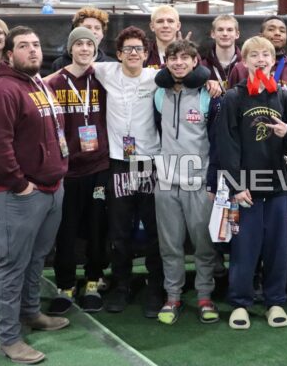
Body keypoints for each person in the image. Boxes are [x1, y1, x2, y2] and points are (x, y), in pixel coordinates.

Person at [0, 26, 69, 364]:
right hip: (18, 195)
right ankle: (8, 339)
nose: (33, 50)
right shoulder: (2, 90)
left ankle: (31, 312)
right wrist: (19, 184)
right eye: (23, 46)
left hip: (50, 190)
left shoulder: (37, 84)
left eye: (36, 44)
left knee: (36, 259)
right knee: (12, 266)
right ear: (8, 54)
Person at [218, 36, 287, 330]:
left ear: (274, 61)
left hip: (278, 188)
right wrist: (236, 185)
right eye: (254, 55)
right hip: (245, 189)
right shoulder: (234, 97)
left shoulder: (285, 98)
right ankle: (240, 303)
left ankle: (275, 301)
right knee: (244, 250)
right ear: (244, 62)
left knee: (277, 249)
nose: (260, 59)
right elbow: (226, 145)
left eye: (266, 55)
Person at [92, 26, 165, 317]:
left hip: (150, 162)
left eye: (139, 49)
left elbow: (192, 76)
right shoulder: (106, 71)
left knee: (155, 232)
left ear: (147, 54)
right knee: (119, 231)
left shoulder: (156, 76)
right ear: (118, 54)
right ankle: (122, 284)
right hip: (118, 162)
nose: (133, 53)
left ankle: (155, 286)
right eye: (127, 49)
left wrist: (211, 83)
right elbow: (73, 67)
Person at [152, 40, 221, 325]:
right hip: (166, 182)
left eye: (184, 58)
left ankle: (205, 296)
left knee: (203, 246)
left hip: (199, 182)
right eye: (173, 58)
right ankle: (173, 297)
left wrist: (212, 183)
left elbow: (217, 143)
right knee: (170, 245)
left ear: (195, 61)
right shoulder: (159, 93)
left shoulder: (208, 94)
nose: (178, 63)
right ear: (166, 62)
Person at [46, 27, 112, 315]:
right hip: (68, 169)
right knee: (67, 231)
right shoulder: (54, 83)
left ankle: (94, 282)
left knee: (98, 228)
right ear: (70, 49)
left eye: (90, 44)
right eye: (79, 44)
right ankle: (65, 285)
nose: (84, 49)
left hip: (99, 165)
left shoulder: (103, 79)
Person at [228, 16, 287, 90]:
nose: (277, 33)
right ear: (261, 35)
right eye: (271, 29)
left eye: (282, 31)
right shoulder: (240, 69)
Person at [51, 6, 115, 71]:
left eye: (97, 28)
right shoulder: (59, 64)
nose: (93, 32)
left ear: (102, 34)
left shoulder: (111, 65)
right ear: (75, 32)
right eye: (88, 27)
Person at [200, 14, 241, 90]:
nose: (225, 34)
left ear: (237, 34)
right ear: (213, 34)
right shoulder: (202, 66)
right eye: (220, 30)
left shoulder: (246, 65)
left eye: (229, 30)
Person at [145, 5, 183, 69]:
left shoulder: (190, 52)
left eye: (170, 21)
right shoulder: (144, 53)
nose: (165, 25)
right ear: (152, 26)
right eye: (160, 21)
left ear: (178, 26)